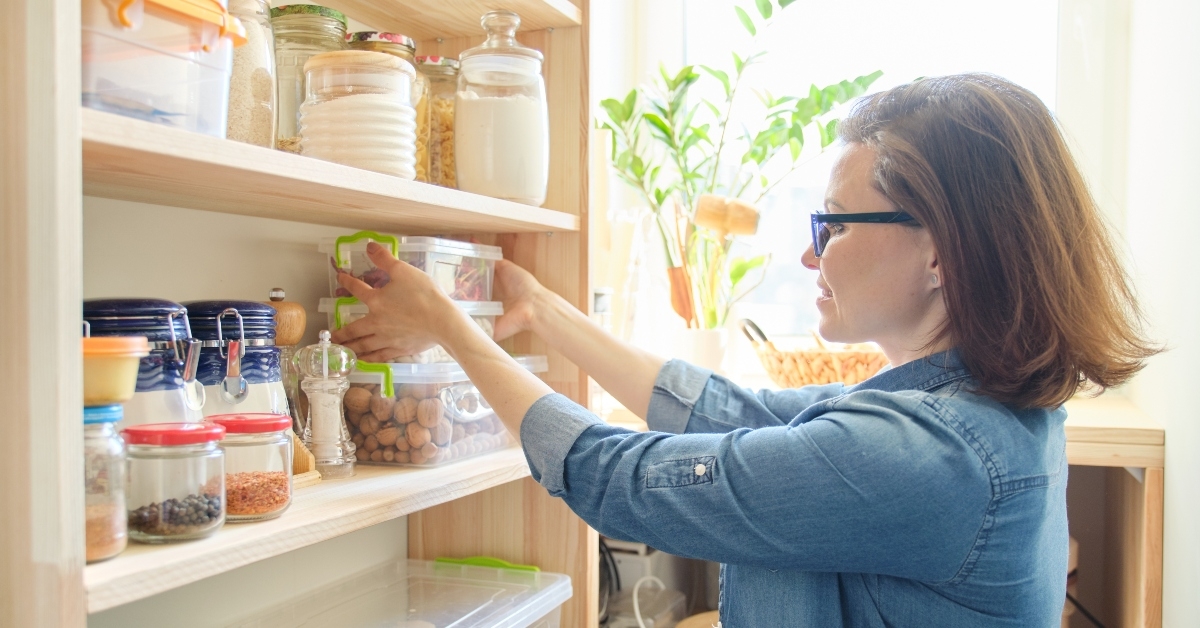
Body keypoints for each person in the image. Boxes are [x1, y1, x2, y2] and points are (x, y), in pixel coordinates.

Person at [331, 74, 1157, 627]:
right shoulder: (956, 408)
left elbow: (617, 479)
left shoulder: (921, 455)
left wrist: (450, 324)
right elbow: (738, 413)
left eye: (833, 225)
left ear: (941, 252)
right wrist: (544, 314)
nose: (809, 253)